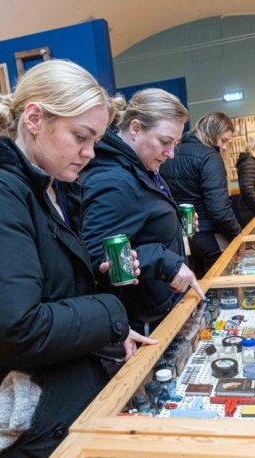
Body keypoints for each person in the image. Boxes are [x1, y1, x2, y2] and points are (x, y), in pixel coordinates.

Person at [0, 60, 156, 458]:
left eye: (95, 140)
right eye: (80, 137)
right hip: (17, 444)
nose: (90, 153)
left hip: (49, 421)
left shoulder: (45, 189)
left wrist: (98, 281)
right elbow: (16, 330)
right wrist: (110, 313)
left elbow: (45, 290)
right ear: (35, 119)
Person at [77, 88, 204, 336]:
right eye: (165, 142)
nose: (171, 153)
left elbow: (140, 222)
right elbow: (96, 257)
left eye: (175, 144)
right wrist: (164, 261)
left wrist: (173, 222)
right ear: (135, 128)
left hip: (159, 305)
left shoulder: (140, 167)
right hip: (142, 318)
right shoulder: (115, 181)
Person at [160, 112, 241, 277]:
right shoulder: (210, 156)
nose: (224, 147)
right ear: (213, 133)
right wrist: (237, 235)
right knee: (218, 287)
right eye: (223, 140)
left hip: (180, 237)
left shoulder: (172, 153)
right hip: (208, 236)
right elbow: (219, 210)